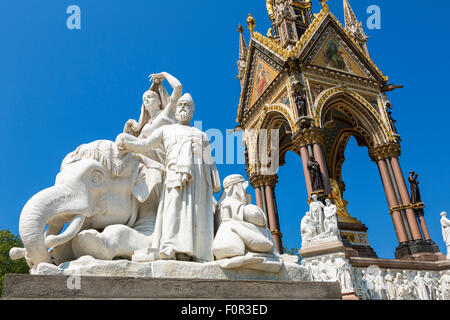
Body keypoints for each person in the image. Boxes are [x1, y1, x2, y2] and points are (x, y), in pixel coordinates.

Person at [116, 93, 221, 262]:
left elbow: (210, 161)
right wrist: (128, 144)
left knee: (193, 213)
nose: (182, 107)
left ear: (192, 111)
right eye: (180, 104)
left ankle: (191, 250)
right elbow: (145, 145)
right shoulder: (166, 129)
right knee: (172, 209)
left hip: (198, 179)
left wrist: (201, 153)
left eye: (187, 105)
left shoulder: (201, 135)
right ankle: (169, 246)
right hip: (174, 173)